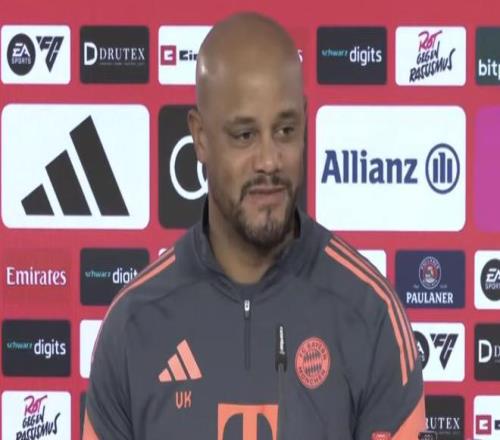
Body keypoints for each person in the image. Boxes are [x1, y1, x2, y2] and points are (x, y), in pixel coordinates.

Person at [83, 12, 425, 440]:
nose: (268, 160)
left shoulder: (369, 315)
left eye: (285, 130)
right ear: (200, 137)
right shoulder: (134, 325)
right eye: (244, 135)